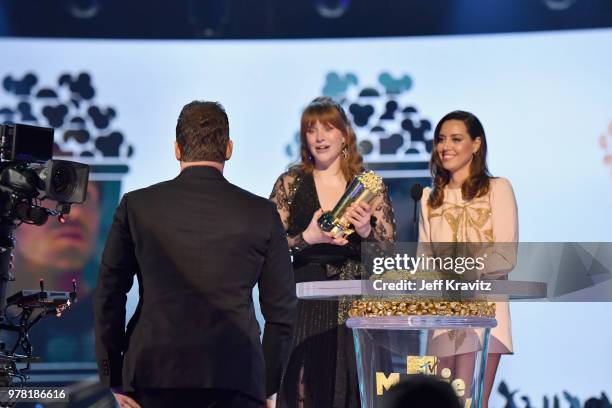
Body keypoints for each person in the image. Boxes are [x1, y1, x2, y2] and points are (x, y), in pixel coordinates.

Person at [94, 101, 297, 408]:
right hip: (238, 380)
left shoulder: (136, 206)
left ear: (177, 149)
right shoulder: (262, 213)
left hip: (153, 376)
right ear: (228, 149)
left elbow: (109, 295)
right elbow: (282, 313)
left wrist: (112, 377)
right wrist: (266, 386)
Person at [270, 96, 396, 408]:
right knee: (306, 387)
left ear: (345, 135)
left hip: (357, 300)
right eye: (311, 130)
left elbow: (388, 256)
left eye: (328, 128)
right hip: (307, 300)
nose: (320, 137)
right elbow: (268, 244)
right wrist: (307, 238)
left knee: (355, 388)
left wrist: (366, 231)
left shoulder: (368, 187)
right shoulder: (291, 183)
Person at [418, 110, 518, 408]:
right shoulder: (428, 197)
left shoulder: (497, 189)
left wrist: (458, 271)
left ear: (476, 144)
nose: (445, 146)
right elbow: (425, 261)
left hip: (485, 312)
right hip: (442, 316)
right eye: (440, 139)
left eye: (455, 139)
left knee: (469, 403)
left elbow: (505, 255)